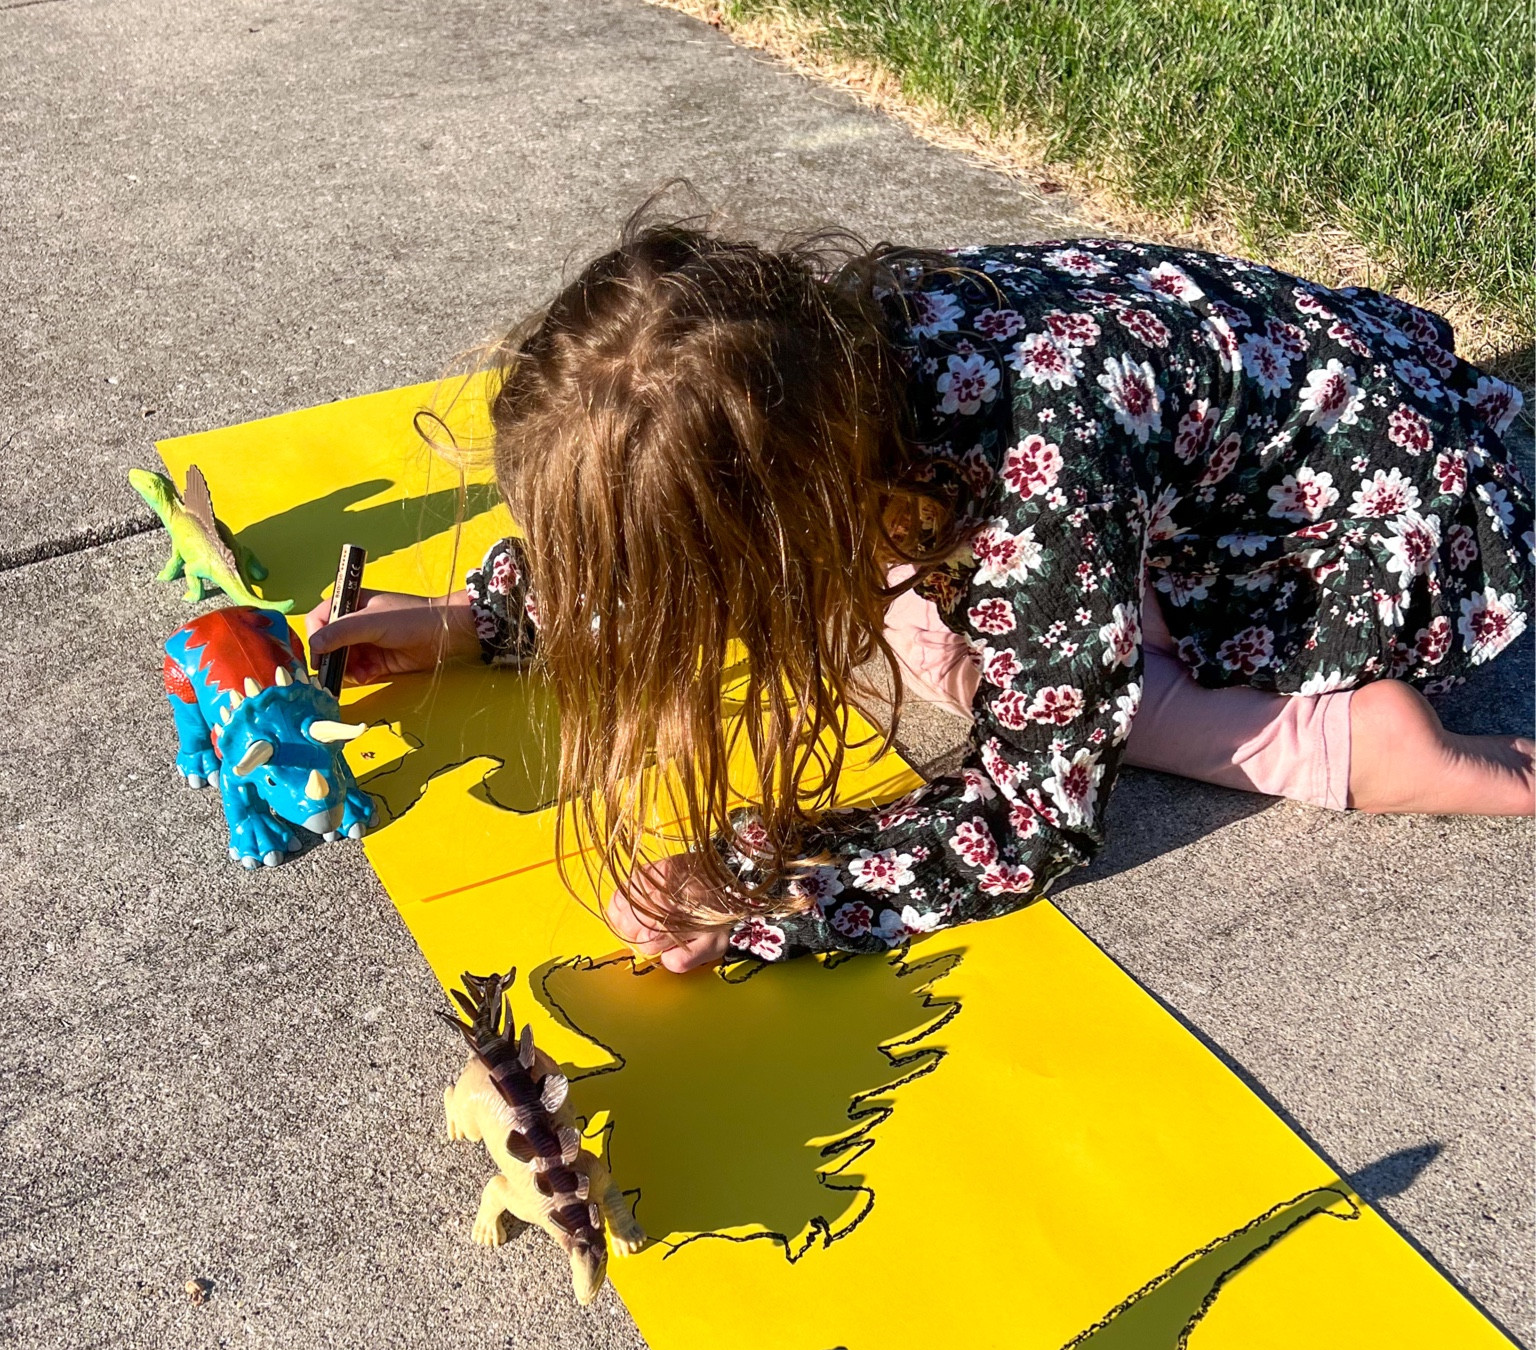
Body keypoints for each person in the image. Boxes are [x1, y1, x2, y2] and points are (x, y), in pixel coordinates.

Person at [308, 217, 1534, 973]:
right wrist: (482, 615)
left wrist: (779, 894)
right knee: (938, 630)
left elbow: (1033, 813)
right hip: (1261, 416)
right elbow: (677, 515)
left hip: (1372, 527)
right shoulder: (815, 362)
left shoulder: (1033, 489)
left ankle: (1359, 745)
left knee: (993, 671)